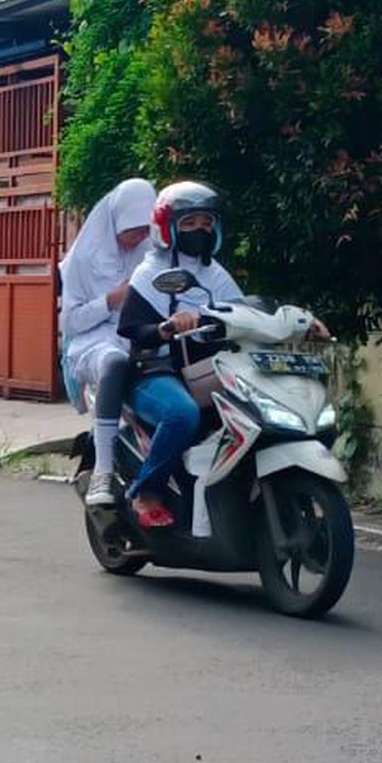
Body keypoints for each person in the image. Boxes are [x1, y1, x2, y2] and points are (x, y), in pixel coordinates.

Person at [117, 181, 243, 529]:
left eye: (206, 223)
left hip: (205, 368)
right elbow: (131, 329)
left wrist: (301, 324)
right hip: (155, 371)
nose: (200, 230)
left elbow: (244, 313)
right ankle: (147, 493)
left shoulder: (216, 275)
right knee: (182, 414)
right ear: (167, 228)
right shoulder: (150, 273)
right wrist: (167, 328)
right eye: (189, 223)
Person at [59, 178, 156, 507]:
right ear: (116, 221)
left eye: (147, 228)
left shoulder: (153, 253)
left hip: (143, 335)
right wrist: (112, 299)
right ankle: (103, 468)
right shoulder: (81, 261)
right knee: (114, 362)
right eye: (134, 229)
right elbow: (70, 322)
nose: (140, 236)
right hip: (95, 341)